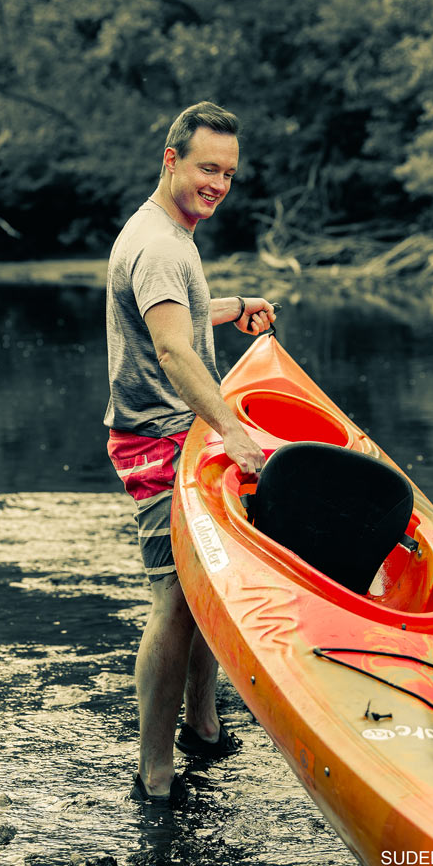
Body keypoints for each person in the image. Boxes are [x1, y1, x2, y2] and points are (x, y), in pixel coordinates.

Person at [104, 100, 276, 806]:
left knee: (207, 590)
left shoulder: (171, 235)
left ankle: (201, 726)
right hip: (156, 439)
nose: (218, 183)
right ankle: (154, 773)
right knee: (175, 598)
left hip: (186, 432)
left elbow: (176, 315)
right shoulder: (158, 244)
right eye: (208, 167)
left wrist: (230, 307)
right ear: (171, 158)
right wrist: (233, 429)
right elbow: (173, 349)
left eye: (229, 173)